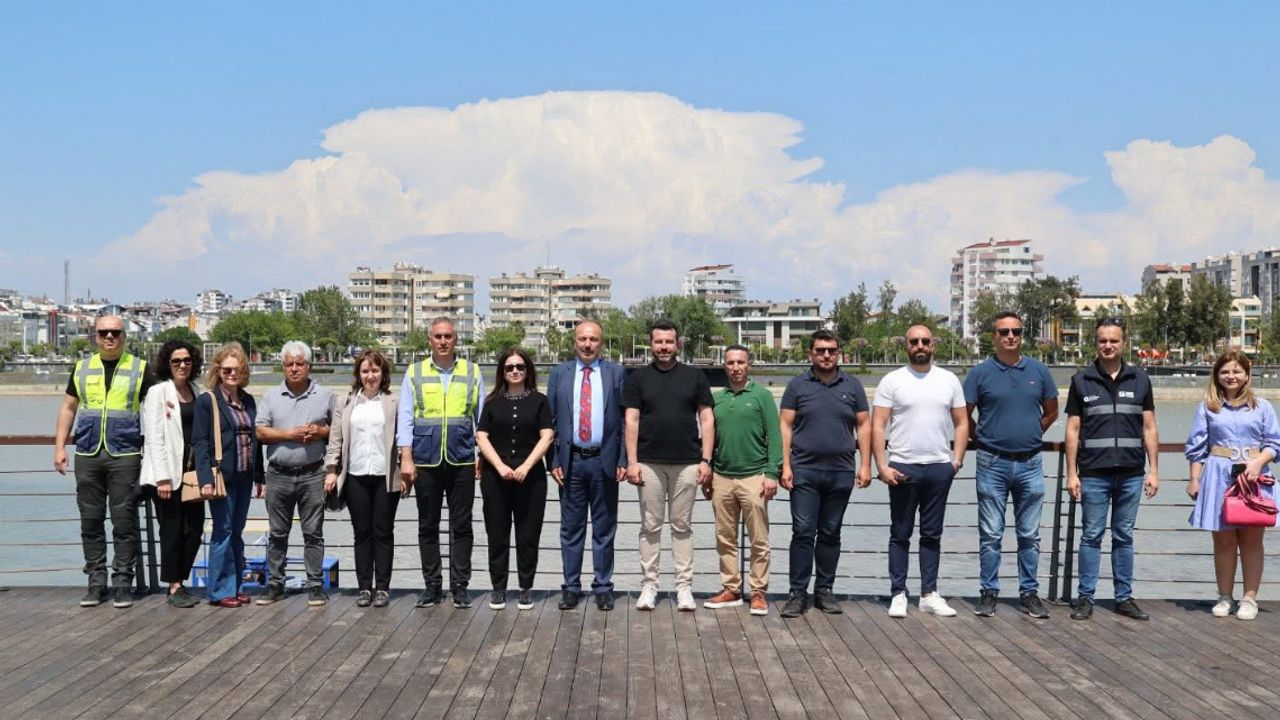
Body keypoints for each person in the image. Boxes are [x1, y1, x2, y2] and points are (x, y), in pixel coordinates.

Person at [964, 311, 1058, 619]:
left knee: (1029, 534)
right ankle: (988, 592)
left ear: (1022, 335)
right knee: (991, 533)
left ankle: (1029, 593)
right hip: (991, 463)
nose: (1010, 336)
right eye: (1004, 332)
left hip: (1030, 463)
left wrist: (1031, 433)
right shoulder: (979, 374)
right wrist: (983, 438)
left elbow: (1051, 412)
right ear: (994, 336)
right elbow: (963, 415)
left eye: (1016, 331)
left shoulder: (1039, 371)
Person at [53, 314, 152, 608]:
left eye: (116, 333)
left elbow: (157, 409)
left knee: (124, 522)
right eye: (104, 332)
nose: (110, 337)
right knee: (91, 521)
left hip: (125, 454)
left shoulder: (140, 368)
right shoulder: (82, 368)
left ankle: (122, 583)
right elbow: (68, 407)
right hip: (88, 454)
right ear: (95, 336)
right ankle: (96, 583)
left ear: (124, 336)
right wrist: (59, 447)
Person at [1065, 319, 1159, 621]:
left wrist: (1154, 470)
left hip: (1131, 473)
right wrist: (1071, 473)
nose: (1108, 346)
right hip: (1093, 473)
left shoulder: (1140, 380)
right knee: (1091, 536)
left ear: (1124, 343)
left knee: (1124, 536)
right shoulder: (1081, 381)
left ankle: (1124, 598)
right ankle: (1085, 598)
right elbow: (1073, 430)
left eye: (1113, 340)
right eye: (1103, 340)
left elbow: (1149, 427)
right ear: (1096, 343)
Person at [871, 324, 968, 618]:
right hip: (902, 467)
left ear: (933, 344)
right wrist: (882, 466)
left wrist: (956, 460)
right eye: (914, 341)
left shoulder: (949, 380)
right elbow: (878, 425)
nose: (920, 346)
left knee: (932, 534)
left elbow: (962, 422)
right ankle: (898, 593)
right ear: (907, 345)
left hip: (939, 467)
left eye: (925, 341)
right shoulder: (892, 380)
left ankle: (929, 594)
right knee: (900, 534)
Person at [623, 318, 715, 612]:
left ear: (678, 344)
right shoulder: (637, 377)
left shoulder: (695, 376)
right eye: (658, 342)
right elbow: (631, 420)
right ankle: (649, 586)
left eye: (669, 342)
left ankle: (684, 587)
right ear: (651, 344)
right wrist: (631, 462)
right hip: (648, 462)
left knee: (682, 526)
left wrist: (706, 460)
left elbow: (707, 419)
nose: (664, 347)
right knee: (650, 526)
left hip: (688, 462)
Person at [779, 329, 871, 618]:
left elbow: (864, 426)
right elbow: (785, 426)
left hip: (841, 471)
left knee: (831, 533)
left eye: (831, 350)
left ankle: (824, 591)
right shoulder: (797, 386)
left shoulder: (853, 386)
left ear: (839, 353)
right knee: (803, 532)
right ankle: (797, 593)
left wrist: (865, 465)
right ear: (811, 353)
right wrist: (785, 465)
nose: (826, 355)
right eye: (820, 350)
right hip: (803, 470)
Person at [397, 317, 485, 609]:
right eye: (438, 336)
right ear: (429, 340)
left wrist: (483, 457)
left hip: (462, 459)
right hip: (426, 460)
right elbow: (406, 418)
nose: (443, 341)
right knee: (427, 525)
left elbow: (481, 420)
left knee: (462, 526)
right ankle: (432, 586)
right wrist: (406, 458)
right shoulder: (414, 372)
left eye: (448, 336)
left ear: (456, 339)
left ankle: (460, 586)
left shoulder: (472, 371)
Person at [1186, 350, 1280, 621]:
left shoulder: (1262, 406)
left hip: (1254, 476)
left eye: (1237, 371)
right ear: (1217, 375)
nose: (1231, 376)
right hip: (1218, 475)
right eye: (1225, 371)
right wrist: (1194, 479)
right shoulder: (1207, 407)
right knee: (1223, 539)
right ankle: (1224, 596)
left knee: (1252, 540)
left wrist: (1258, 462)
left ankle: (1249, 598)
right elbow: (1197, 448)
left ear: (1247, 375)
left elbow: (1274, 443)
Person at [547, 320, 627, 611]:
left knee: (604, 529)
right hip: (571, 463)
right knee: (571, 529)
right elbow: (549, 422)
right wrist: (552, 460)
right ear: (574, 342)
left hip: (605, 462)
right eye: (582, 339)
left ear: (601, 343)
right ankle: (571, 587)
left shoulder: (616, 373)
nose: (587, 344)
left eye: (593, 339)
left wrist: (623, 459)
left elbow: (625, 421)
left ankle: (603, 587)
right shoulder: (559, 373)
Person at [254, 341, 334, 607]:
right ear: (283, 366)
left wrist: (320, 432)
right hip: (278, 474)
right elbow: (260, 432)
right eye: (289, 364)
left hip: (313, 473)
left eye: (300, 363)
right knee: (277, 532)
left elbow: (337, 429)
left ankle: (315, 586)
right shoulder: (270, 397)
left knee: (313, 533)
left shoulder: (325, 395)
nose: (295, 368)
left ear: (309, 366)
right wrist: (289, 434)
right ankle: (275, 584)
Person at [704, 345, 780, 617]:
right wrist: (708, 471)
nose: (735, 367)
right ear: (724, 365)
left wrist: (772, 473)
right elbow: (709, 437)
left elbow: (775, 436)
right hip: (722, 477)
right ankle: (731, 589)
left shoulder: (762, 396)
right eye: (730, 363)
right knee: (725, 538)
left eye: (740, 362)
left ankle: (758, 592)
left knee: (759, 539)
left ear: (749, 365)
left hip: (755, 476)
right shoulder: (717, 398)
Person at [324, 349, 403, 609]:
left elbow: (403, 439)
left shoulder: (393, 401)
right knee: (361, 533)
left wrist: (405, 469)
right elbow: (335, 438)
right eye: (366, 371)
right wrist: (331, 470)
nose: (370, 376)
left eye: (375, 371)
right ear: (358, 374)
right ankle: (364, 588)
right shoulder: (345, 401)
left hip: (384, 475)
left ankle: (383, 588)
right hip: (355, 474)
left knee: (383, 532)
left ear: (383, 373)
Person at [476, 347, 554, 610]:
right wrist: (499, 466)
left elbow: (547, 435)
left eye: (520, 366)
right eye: (509, 367)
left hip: (531, 478)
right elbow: (481, 436)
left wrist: (526, 466)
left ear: (528, 370)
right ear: (502, 371)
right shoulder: (491, 402)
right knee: (497, 534)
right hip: (495, 477)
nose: (515, 371)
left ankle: (525, 588)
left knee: (528, 534)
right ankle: (498, 588)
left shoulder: (540, 401)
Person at [194, 342, 265, 607]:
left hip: (245, 475)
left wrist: (260, 477)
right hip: (221, 477)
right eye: (226, 370)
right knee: (222, 532)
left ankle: (235, 586)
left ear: (243, 371)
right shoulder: (208, 401)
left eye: (236, 369)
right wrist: (205, 480)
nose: (232, 374)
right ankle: (219, 591)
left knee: (237, 532)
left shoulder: (248, 401)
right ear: (218, 371)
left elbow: (255, 440)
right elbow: (200, 443)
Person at [139, 340, 206, 608]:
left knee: (195, 530)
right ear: (167, 364)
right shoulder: (158, 392)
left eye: (187, 360)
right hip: (168, 473)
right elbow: (154, 437)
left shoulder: (198, 391)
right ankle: (174, 585)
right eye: (176, 361)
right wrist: (162, 478)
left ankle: (181, 579)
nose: (182, 365)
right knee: (171, 531)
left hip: (193, 472)